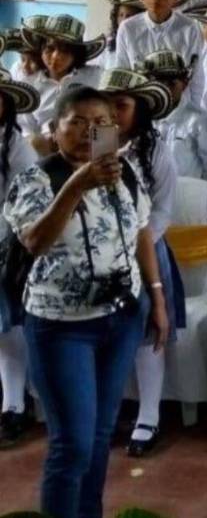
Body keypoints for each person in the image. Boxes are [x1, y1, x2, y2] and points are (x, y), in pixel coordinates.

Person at [3, 86, 167, 518]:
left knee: (97, 439)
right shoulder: (35, 179)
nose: (87, 132)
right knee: (72, 444)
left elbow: (142, 233)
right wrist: (77, 184)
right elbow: (35, 241)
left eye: (100, 124)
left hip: (120, 319)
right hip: (61, 325)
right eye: (75, 122)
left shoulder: (125, 173)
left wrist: (157, 298)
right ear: (54, 130)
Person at [96, 68, 181, 459]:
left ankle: (149, 415)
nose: (114, 113)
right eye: (108, 105)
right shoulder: (100, 140)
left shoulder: (157, 148)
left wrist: (137, 245)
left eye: (123, 105)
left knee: (150, 334)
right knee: (106, 332)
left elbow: (162, 209)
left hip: (147, 251)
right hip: (103, 252)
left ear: (140, 109)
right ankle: (110, 411)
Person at [0, 71, 40, 448]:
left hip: (7, 248)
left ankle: (14, 405)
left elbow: (21, 204)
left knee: (9, 329)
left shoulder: (17, 146)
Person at [115, 0, 204, 108]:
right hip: (141, 110)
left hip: (178, 111)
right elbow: (122, 74)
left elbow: (196, 79)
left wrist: (192, 114)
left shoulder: (190, 28)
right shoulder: (128, 28)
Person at [18, 15, 105, 152]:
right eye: (50, 49)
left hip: (87, 143)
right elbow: (25, 127)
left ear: (76, 53)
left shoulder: (95, 76)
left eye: (65, 51)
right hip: (45, 150)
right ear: (41, 50)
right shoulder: (29, 85)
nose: (55, 56)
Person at [140, 50, 207, 182]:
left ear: (184, 84)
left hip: (188, 197)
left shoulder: (199, 120)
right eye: (158, 83)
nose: (164, 89)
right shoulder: (140, 120)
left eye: (171, 83)